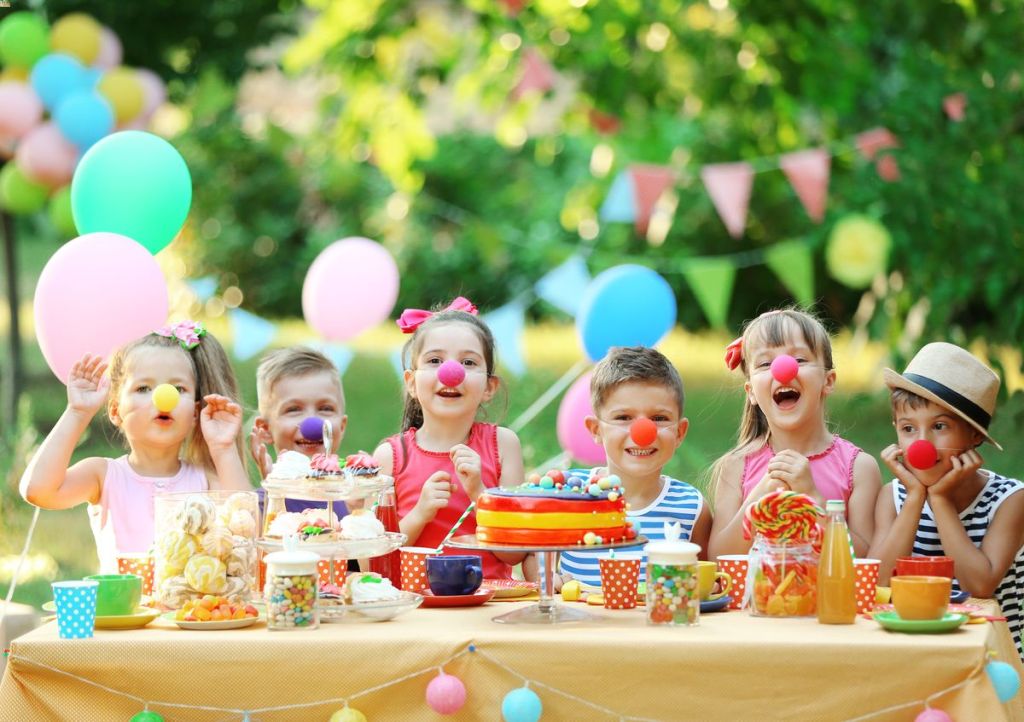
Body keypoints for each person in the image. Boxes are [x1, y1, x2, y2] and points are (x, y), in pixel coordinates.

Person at [20, 321, 250, 573]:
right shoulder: (103, 475)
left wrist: (224, 447)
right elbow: (37, 491)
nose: (164, 398)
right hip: (122, 611)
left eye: (178, 388)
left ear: (195, 413)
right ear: (116, 410)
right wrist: (77, 412)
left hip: (188, 611)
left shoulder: (204, 480)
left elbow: (245, 526)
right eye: (143, 388)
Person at [868, 342, 1024, 658]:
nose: (922, 444)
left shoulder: (1010, 500)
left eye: (939, 427)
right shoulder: (893, 498)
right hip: (909, 653)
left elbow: (979, 586)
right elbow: (876, 583)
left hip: (988, 660)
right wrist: (915, 498)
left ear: (974, 436)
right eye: (909, 428)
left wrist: (939, 500)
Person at [372, 297, 527, 580]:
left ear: (489, 387)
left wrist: (479, 493)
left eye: (468, 362)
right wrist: (421, 513)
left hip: (489, 608)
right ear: (411, 383)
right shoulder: (390, 456)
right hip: (416, 610)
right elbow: (375, 557)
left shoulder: (503, 445)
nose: (451, 373)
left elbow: (514, 553)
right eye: (434, 361)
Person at [708, 309, 881, 559]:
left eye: (799, 360)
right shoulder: (736, 466)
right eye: (766, 364)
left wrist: (812, 498)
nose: (783, 370)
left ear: (828, 381)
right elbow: (718, 559)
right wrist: (761, 496)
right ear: (751, 392)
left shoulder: (859, 468)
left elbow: (863, 560)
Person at [558, 346, 711, 589]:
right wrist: (548, 580)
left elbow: (702, 584)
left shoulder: (692, 508)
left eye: (659, 418)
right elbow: (536, 560)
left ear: (679, 432)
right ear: (596, 430)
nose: (642, 433)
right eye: (624, 418)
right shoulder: (566, 495)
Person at [250, 346, 350, 516]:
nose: (313, 423)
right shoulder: (261, 504)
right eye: (293, 409)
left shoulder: (351, 495)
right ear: (265, 429)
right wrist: (275, 494)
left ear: (342, 426)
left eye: (325, 408)